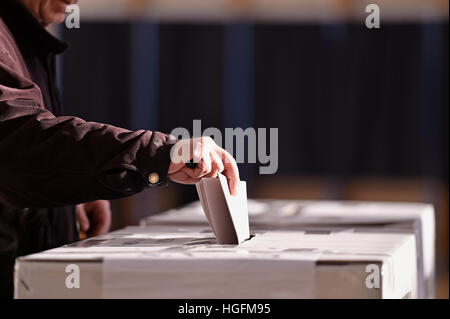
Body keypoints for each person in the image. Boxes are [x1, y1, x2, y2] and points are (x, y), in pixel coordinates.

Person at [0, 0, 240, 298]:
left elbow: (31, 163)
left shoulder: (24, 36)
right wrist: (161, 154)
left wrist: (65, 198)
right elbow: (17, 148)